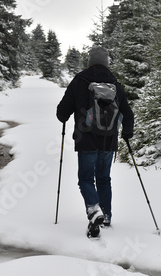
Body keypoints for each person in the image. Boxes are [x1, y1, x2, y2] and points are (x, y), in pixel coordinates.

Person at [56, 46, 134, 238]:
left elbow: (62, 113)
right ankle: (105, 215)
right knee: (104, 178)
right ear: (107, 62)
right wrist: (127, 133)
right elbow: (128, 114)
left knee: (85, 178)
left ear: (89, 61)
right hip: (109, 141)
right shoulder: (115, 83)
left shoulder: (79, 80)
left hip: (86, 140)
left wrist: (68, 114)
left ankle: (93, 209)